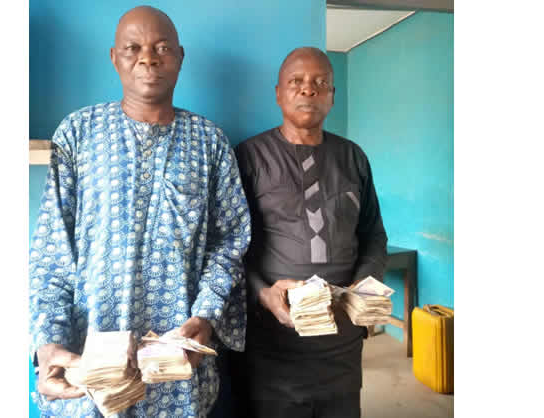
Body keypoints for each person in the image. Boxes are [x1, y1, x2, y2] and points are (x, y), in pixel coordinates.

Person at [29, 6, 250, 417]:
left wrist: (206, 315)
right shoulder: (77, 133)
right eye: (133, 48)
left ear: (180, 57)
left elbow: (229, 243)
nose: (148, 58)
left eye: (162, 48)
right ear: (115, 58)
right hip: (90, 364)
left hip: (177, 369)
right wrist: (48, 342)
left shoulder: (210, 143)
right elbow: (51, 253)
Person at [232, 47, 390, 418]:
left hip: (342, 344)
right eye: (297, 82)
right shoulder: (249, 157)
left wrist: (365, 285)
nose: (309, 89)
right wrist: (263, 293)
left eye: (321, 83)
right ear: (278, 93)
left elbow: (373, 234)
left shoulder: (353, 157)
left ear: (332, 95)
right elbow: (229, 246)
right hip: (274, 346)